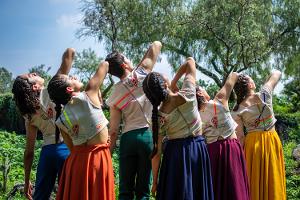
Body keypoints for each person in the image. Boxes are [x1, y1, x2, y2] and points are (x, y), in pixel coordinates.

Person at [143, 57, 214, 200]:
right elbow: (190, 61)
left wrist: (155, 181)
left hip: (174, 156)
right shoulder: (188, 94)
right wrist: (174, 83)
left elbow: (156, 153)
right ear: (164, 83)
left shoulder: (157, 117)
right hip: (197, 150)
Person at [47, 58, 115, 200]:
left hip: (76, 164)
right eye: (70, 77)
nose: (74, 76)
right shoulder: (89, 93)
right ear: (69, 89)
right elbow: (105, 64)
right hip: (98, 160)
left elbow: (72, 148)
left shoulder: (60, 120)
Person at [11, 48, 73, 200]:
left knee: (40, 197)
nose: (33, 73)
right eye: (30, 76)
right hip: (67, 147)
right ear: (34, 87)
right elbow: (69, 54)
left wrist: (26, 182)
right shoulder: (53, 90)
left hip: (47, 154)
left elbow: (29, 152)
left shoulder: (29, 115)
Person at [105, 41, 162, 200]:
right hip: (147, 136)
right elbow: (157, 45)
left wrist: (108, 155)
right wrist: (136, 66)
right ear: (124, 64)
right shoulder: (142, 73)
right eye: (127, 58)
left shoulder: (114, 93)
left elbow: (114, 130)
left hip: (128, 138)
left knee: (125, 190)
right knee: (143, 190)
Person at [232, 70, 286, 200]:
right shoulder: (265, 94)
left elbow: (240, 137)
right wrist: (266, 83)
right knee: (273, 177)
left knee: (254, 180)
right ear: (250, 85)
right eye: (251, 80)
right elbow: (277, 73)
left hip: (252, 145)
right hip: (271, 140)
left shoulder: (237, 109)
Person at [196, 72, 250, 200]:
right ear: (199, 93)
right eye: (202, 88)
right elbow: (234, 75)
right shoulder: (219, 100)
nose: (205, 89)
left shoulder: (194, 114)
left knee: (216, 188)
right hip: (231, 148)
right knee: (235, 186)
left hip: (212, 150)